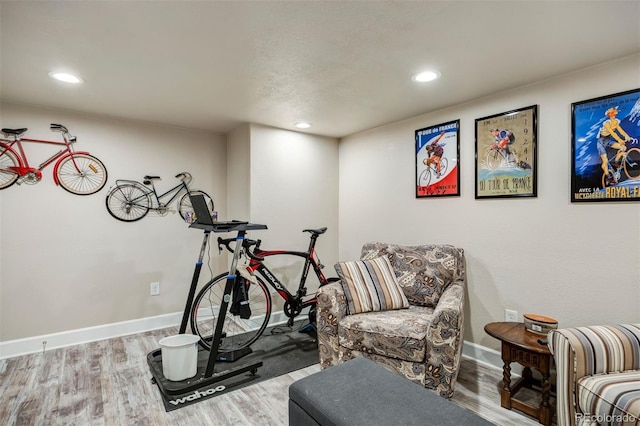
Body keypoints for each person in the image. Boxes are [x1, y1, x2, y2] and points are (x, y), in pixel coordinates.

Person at [597, 107, 631, 184]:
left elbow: (620, 130)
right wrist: (619, 140)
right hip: (601, 142)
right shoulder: (607, 123)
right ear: (609, 115)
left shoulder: (616, 122)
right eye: (611, 113)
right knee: (605, 161)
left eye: (614, 113)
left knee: (623, 147)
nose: (613, 115)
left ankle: (616, 162)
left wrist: (626, 136)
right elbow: (612, 133)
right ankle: (608, 177)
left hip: (608, 140)